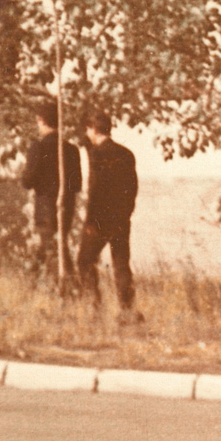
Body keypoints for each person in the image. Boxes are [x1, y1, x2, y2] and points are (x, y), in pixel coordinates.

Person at [77, 110, 139, 319]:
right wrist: (126, 213)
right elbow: (133, 188)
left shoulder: (97, 155)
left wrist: (90, 220)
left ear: (93, 129)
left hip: (100, 220)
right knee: (121, 263)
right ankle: (127, 308)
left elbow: (95, 190)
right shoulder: (126, 154)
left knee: (84, 261)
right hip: (121, 218)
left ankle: (94, 305)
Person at [19, 102, 82, 282]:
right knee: (53, 246)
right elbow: (76, 185)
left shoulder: (38, 147)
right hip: (66, 208)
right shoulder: (71, 150)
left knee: (52, 247)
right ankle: (34, 284)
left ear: (41, 121)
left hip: (46, 207)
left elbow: (27, 181)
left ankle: (70, 288)